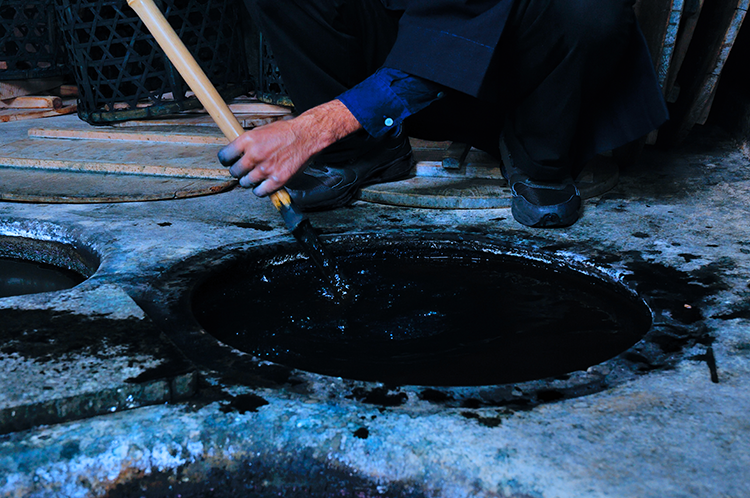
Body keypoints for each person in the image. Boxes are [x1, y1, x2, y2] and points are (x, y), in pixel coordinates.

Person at [218, 0, 668, 228]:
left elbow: (463, 19)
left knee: (589, 10)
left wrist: (313, 129)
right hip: (398, 64)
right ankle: (364, 151)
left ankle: (538, 154)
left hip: (525, 77)